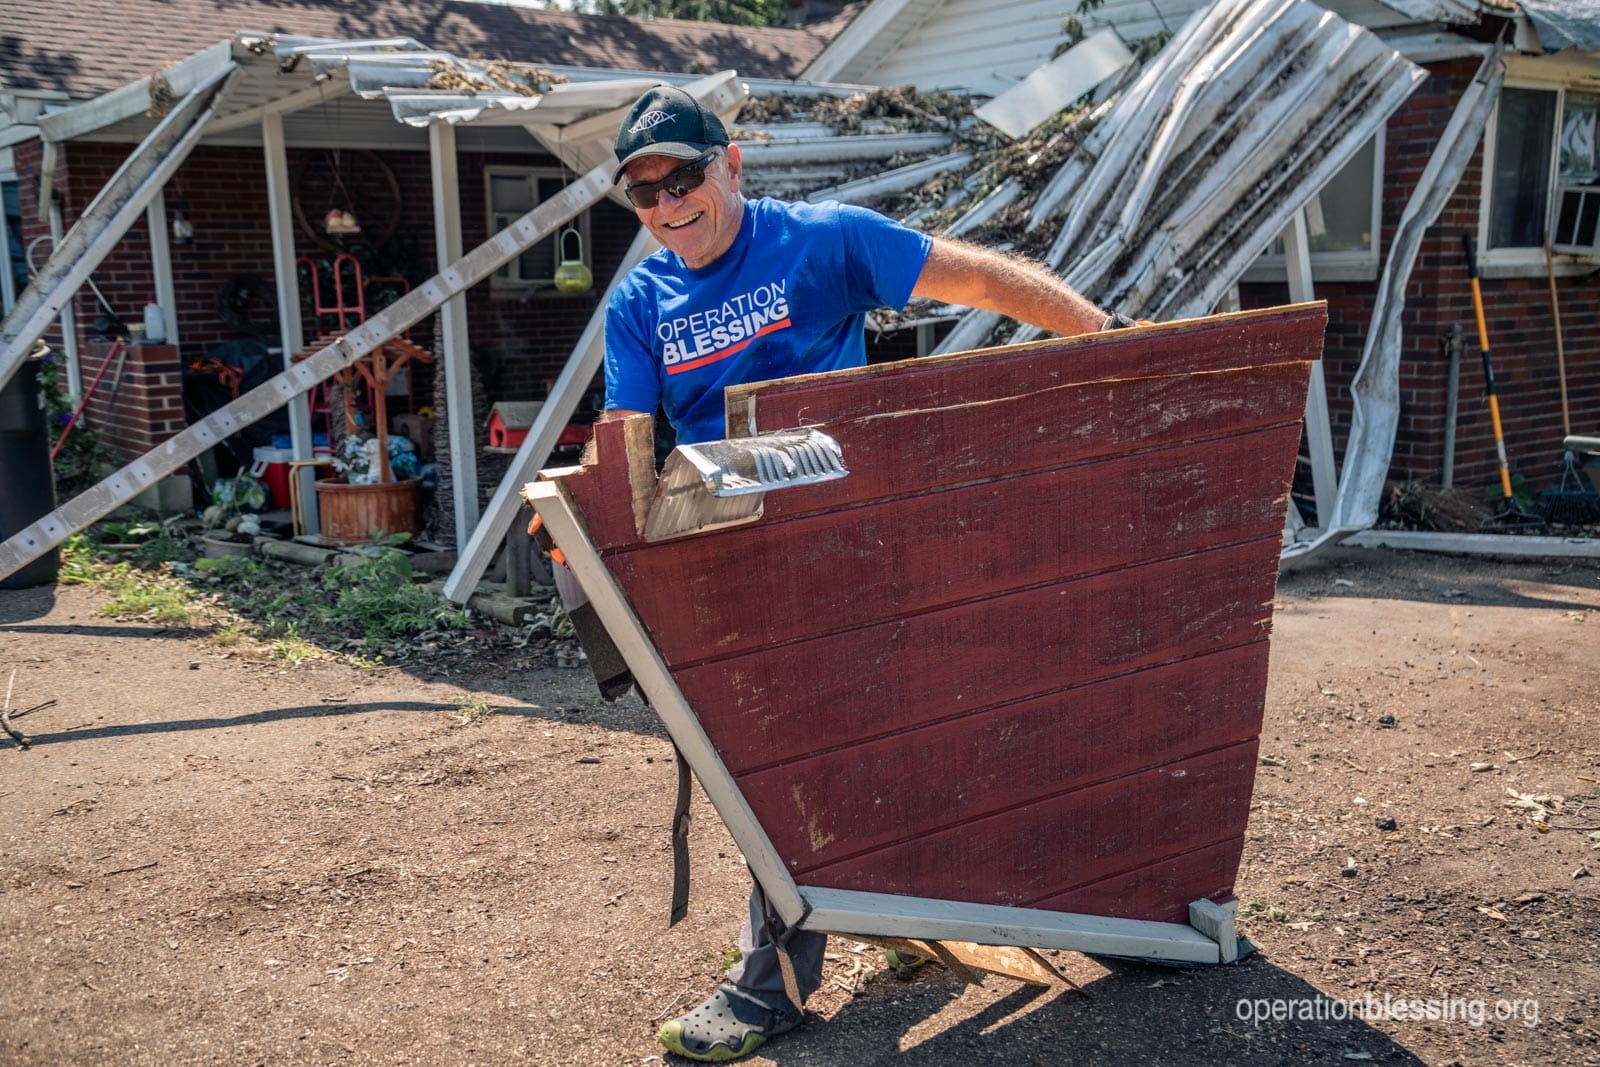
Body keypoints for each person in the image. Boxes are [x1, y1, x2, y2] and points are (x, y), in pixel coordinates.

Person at [601, 85, 1137, 1062]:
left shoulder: (825, 242)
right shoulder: (640, 304)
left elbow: (983, 284)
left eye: (682, 176)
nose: (667, 204)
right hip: (729, 554)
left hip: (853, 544)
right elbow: (631, 448)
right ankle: (886, 912)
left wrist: (1107, 346)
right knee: (785, 763)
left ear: (730, 163)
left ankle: (775, 988)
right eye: (643, 194)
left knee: (822, 754)